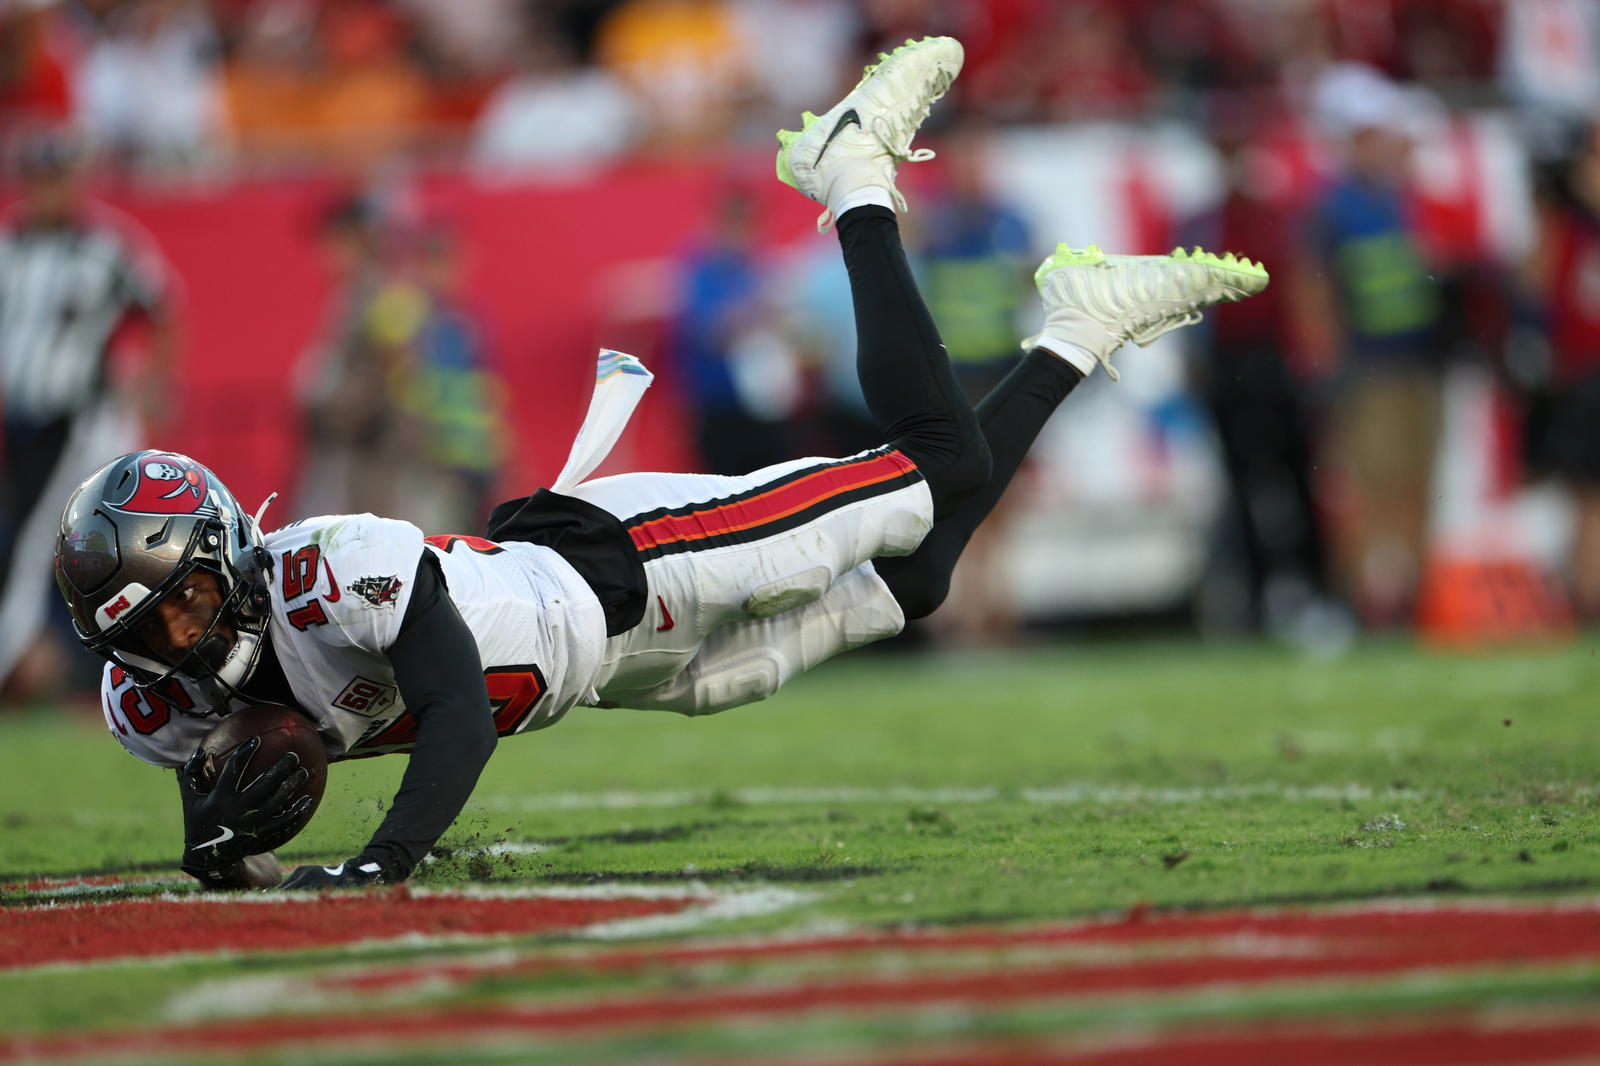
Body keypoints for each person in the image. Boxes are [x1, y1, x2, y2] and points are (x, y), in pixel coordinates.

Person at [50, 36, 1267, 891]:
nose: (178, 643)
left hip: (617, 566)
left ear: (226, 552)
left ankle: (848, 174)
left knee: (935, 469)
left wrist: (383, 859)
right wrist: (226, 847)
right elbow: (231, 802)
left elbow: (460, 708)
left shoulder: (323, 567)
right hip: (620, 674)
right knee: (919, 582)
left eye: (187, 603)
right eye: (149, 632)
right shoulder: (156, 705)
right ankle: (1076, 329)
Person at [0, 130, 179, 702]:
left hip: (79, 421)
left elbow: (163, 306)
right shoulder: (9, 247)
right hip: (20, 424)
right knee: (40, 544)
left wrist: (154, 385)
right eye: (41, 178)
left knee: (43, 547)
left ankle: (32, 665)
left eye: (59, 178)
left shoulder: (105, 247)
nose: (50, 191)